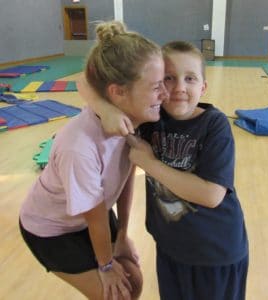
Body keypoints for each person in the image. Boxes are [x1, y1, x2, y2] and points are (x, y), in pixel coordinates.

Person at [79, 41, 249, 300]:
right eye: (169, 78)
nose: (180, 88)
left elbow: (212, 195)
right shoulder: (151, 119)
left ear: (203, 87)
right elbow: (86, 80)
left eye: (190, 78)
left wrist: (149, 163)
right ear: (157, 86)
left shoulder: (215, 125)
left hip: (216, 254)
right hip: (170, 249)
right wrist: (105, 109)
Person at [19, 20, 167, 300]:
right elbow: (95, 216)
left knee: (132, 281)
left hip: (90, 215)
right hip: (51, 230)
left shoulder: (133, 119)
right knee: (117, 293)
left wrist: (123, 233)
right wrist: (107, 264)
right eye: (156, 86)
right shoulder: (80, 148)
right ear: (118, 92)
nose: (166, 94)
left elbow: (124, 178)